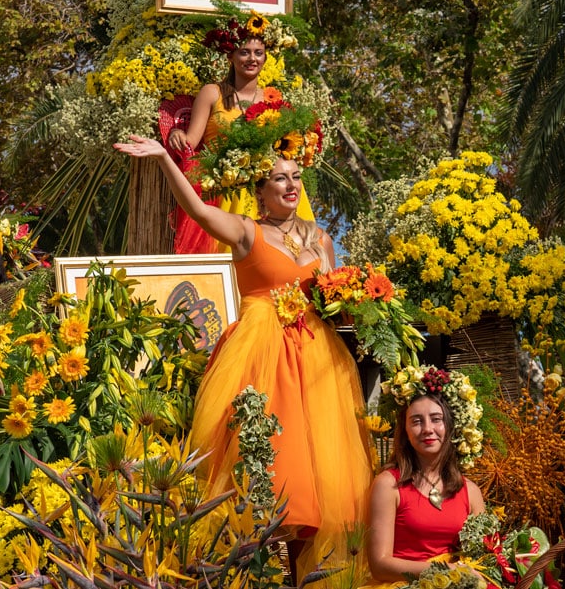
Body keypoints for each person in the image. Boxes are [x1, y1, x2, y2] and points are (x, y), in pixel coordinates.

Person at [114, 134, 372, 581]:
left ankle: (306, 578)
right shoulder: (245, 230)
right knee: (271, 467)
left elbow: (335, 300)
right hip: (261, 356)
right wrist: (162, 159)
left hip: (317, 359)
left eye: (295, 177)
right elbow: (197, 210)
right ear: (261, 190)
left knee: (323, 477)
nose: (290, 185)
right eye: (279, 179)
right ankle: (248, 574)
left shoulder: (323, 240)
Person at [164, 16, 313, 253]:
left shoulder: (273, 98)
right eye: (244, 52)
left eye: (258, 53)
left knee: (288, 254)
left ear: (266, 57)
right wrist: (175, 132)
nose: (252, 59)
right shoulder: (212, 93)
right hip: (225, 192)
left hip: (268, 191)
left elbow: (284, 151)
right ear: (230, 56)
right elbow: (191, 142)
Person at [367, 369, 486, 585]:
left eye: (436, 419)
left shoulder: (470, 491)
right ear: (405, 430)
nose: (427, 429)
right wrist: (446, 572)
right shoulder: (388, 485)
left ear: (450, 425)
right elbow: (379, 565)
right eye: (416, 421)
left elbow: (485, 558)